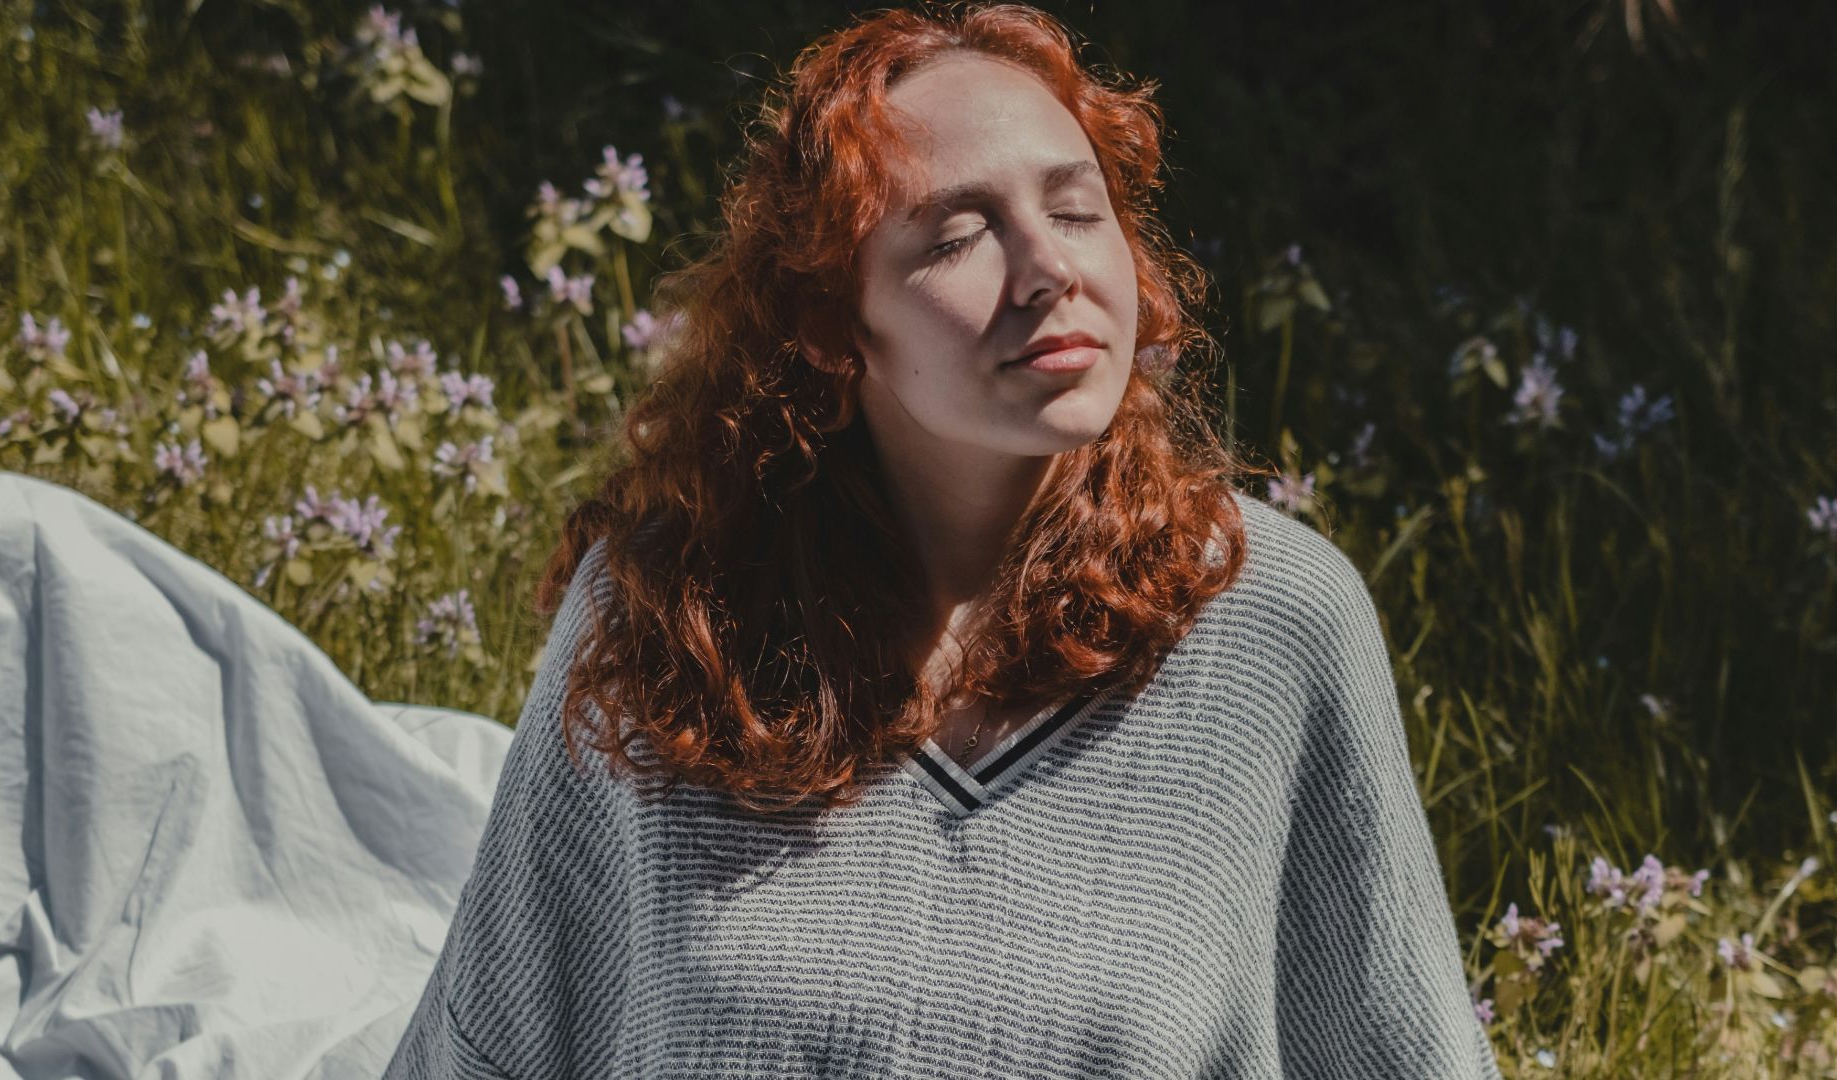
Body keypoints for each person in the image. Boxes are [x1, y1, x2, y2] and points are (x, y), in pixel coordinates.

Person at [384, 3, 1503, 1077]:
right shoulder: (665, 612)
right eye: (959, 235)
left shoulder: (1274, 618)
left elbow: (1405, 1056)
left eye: (1076, 210)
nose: (1051, 270)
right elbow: (491, 1047)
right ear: (828, 322)